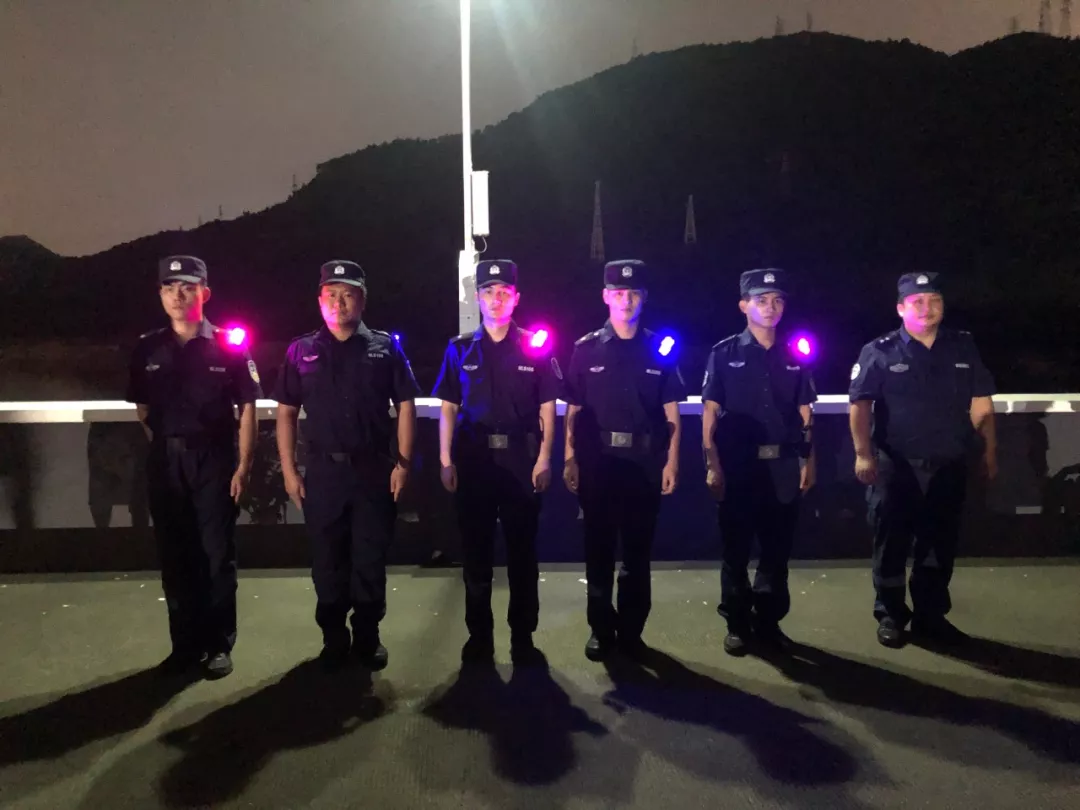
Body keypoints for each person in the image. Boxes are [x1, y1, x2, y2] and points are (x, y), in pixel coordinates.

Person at [274, 260, 420, 670]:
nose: (339, 303)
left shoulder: (385, 348)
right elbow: (286, 413)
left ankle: (368, 636)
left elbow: (406, 405)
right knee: (327, 562)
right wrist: (289, 470)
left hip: (373, 471)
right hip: (323, 474)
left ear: (362, 300)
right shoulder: (301, 350)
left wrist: (403, 463)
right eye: (332, 295)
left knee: (370, 560)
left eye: (348, 294)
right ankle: (333, 637)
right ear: (320, 300)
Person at [126, 255, 261, 679]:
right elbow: (143, 410)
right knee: (175, 556)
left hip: (214, 460)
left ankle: (219, 643)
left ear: (205, 293)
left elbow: (248, 408)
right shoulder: (147, 347)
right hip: (166, 461)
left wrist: (243, 465)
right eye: (169, 288)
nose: (177, 296)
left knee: (217, 556)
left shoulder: (228, 344)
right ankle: (184, 646)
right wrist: (169, 447)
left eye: (187, 288)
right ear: (160, 294)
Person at [849, 272, 997, 648]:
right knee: (892, 543)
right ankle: (891, 614)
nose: (927, 308)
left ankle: (931, 616)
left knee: (938, 545)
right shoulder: (879, 351)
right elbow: (860, 406)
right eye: (917, 302)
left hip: (949, 463)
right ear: (901, 308)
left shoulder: (962, 346)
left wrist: (989, 451)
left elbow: (982, 403)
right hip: (895, 465)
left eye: (934, 300)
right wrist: (863, 455)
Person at [433, 259, 560, 665]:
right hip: (475, 461)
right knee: (476, 554)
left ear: (516, 298)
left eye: (504, 292)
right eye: (489, 291)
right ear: (478, 297)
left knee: (522, 553)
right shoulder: (459, 349)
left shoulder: (534, 346)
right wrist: (445, 459)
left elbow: (547, 407)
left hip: (522, 461)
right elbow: (449, 407)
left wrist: (544, 458)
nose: (496, 299)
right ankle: (479, 635)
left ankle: (523, 634)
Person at [563, 259, 685, 661]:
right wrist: (569, 458)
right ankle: (601, 629)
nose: (626, 300)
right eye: (618, 293)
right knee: (598, 552)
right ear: (606, 296)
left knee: (636, 555)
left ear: (644, 298)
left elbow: (671, 410)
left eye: (633, 293)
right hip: (598, 463)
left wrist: (671, 463)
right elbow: (574, 410)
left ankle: (632, 632)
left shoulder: (660, 348)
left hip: (644, 465)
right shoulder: (585, 349)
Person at [702, 269, 816, 655]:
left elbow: (805, 413)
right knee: (735, 551)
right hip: (739, 468)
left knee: (775, 552)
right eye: (761, 300)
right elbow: (710, 413)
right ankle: (737, 623)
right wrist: (712, 463)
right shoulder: (724, 353)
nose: (771, 307)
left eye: (777, 300)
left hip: (782, 466)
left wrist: (808, 461)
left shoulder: (796, 353)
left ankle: (768, 623)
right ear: (743, 305)